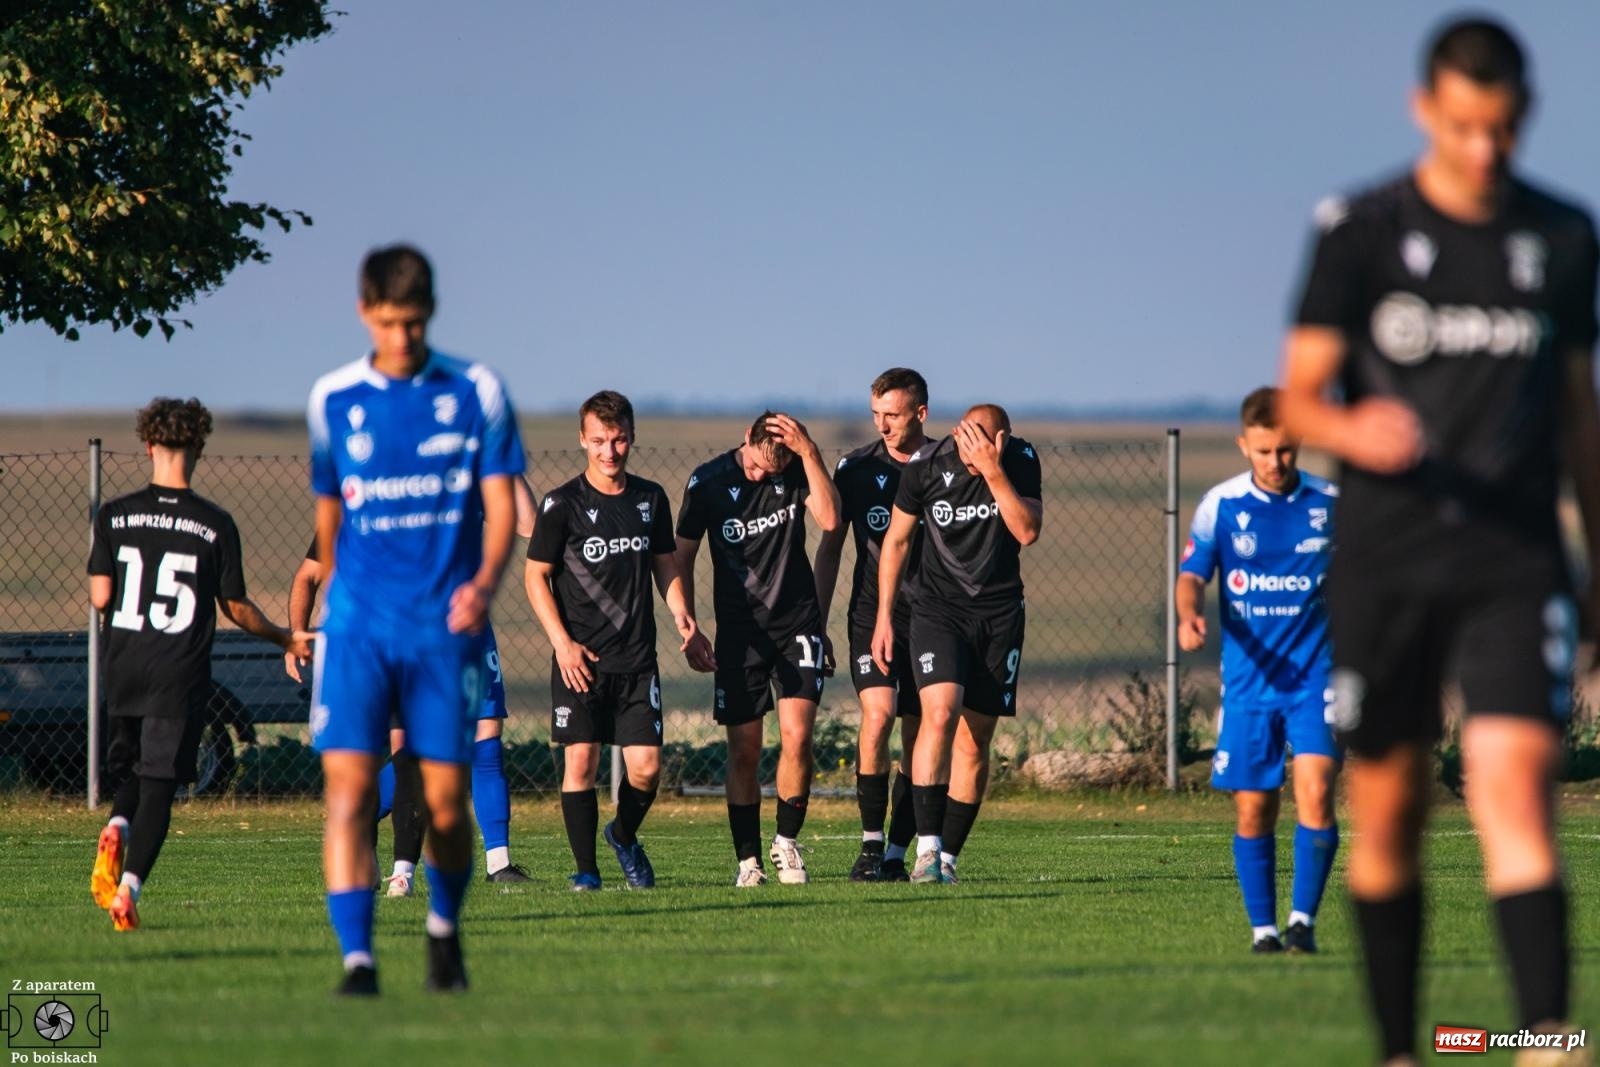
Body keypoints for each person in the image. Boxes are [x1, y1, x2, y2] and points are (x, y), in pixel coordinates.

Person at [1279, 18, 1599, 1064]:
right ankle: (1398, 1048)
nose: (1482, 152)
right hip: (1387, 558)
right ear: (1426, 110)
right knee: (1390, 812)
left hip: (1511, 558)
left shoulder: (1560, 236)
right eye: (1464, 127)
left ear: (1524, 118)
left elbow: (1580, 419)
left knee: (1510, 785)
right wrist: (1350, 428)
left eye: (1501, 130)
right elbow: (1299, 395)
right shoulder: (1360, 230)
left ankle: (1545, 1038)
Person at [307, 245, 525, 995]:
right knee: (350, 792)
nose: (402, 336)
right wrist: (338, 604)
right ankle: (358, 963)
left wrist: (486, 582)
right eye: (390, 321)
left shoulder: (478, 390)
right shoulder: (333, 398)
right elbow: (328, 521)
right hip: (360, 629)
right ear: (366, 311)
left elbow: (502, 505)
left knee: (443, 800)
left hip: (443, 629)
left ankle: (442, 928)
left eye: (416, 321)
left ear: (432, 312)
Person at [89, 397, 312, 931]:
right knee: (161, 784)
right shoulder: (213, 523)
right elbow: (234, 608)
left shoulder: (114, 513)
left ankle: (117, 821)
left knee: (131, 772)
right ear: (199, 449)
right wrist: (284, 636)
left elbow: (101, 597)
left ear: (148, 445)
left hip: (124, 664)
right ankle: (128, 890)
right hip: (177, 671)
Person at [286, 474, 536, 891]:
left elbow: (529, 526)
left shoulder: (464, 476)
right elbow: (308, 575)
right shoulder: (368, 495)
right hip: (404, 640)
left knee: (486, 732)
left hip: (467, 632)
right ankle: (366, 814)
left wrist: (504, 457)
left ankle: (499, 863)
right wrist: (297, 633)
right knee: (412, 756)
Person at [1175, 387, 1341, 954]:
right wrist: (1190, 613)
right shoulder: (1220, 505)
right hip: (1248, 686)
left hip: (1317, 679)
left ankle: (1303, 922)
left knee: (1316, 790)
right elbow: (1192, 574)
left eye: (1287, 451)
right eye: (1265, 451)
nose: (1276, 463)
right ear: (1245, 445)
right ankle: (1264, 931)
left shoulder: (1331, 503)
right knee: (1254, 809)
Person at [524, 390, 709, 890]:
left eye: (620, 439)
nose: (610, 451)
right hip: (579, 659)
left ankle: (623, 835)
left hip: (636, 660)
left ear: (632, 438)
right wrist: (562, 643)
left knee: (646, 770)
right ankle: (586, 872)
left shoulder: (650, 499)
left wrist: (683, 617)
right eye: (600, 440)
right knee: (580, 760)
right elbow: (535, 576)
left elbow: (665, 564)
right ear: (583, 439)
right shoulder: (561, 504)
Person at [873, 404, 1041, 884]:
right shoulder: (926, 465)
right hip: (938, 612)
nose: (972, 452)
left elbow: (1027, 531)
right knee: (940, 713)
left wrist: (992, 471)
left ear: (1002, 440)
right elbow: (898, 542)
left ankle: (947, 858)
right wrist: (885, 617)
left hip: (1000, 614)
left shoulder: (1021, 460)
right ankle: (925, 849)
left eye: (984, 444)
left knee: (974, 742)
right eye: (966, 442)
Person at [674, 411, 841, 886]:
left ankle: (787, 844)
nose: (760, 476)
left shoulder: (795, 467)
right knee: (745, 749)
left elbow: (830, 519)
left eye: (771, 471)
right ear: (745, 438)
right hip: (740, 633)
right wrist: (689, 624)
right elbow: (680, 556)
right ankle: (748, 861)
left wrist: (808, 453)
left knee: (798, 736)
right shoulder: (707, 481)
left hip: (798, 625)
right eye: (755, 467)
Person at [813, 368, 930, 881]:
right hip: (869, 616)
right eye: (876, 415)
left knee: (919, 734)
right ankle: (868, 845)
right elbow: (832, 546)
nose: (883, 425)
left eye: (894, 415)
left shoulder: (946, 465)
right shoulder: (856, 469)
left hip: (933, 619)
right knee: (878, 717)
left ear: (920, 414)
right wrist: (816, 625)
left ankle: (896, 855)